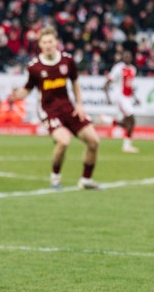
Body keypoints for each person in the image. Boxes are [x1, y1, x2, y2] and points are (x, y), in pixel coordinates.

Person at [11, 27, 101, 190]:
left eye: (50, 41)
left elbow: (75, 82)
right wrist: (16, 95)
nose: (48, 45)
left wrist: (80, 105)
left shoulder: (67, 60)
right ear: (40, 44)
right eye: (44, 42)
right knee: (64, 141)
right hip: (49, 110)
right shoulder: (34, 67)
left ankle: (86, 180)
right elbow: (28, 88)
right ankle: (55, 177)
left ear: (56, 43)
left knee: (94, 141)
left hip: (68, 107)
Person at [104, 51, 140, 153]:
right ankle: (127, 146)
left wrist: (135, 97)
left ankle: (110, 121)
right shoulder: (118, 68)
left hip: (127, 98)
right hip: (120, 97)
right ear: (123, 57)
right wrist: (108, 98)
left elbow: (130, 85)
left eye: (129, 56)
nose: (127, 58)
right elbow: (107, 82)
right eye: (125, 56)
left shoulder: (133, 69)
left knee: (128, 122)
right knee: (131, 119)